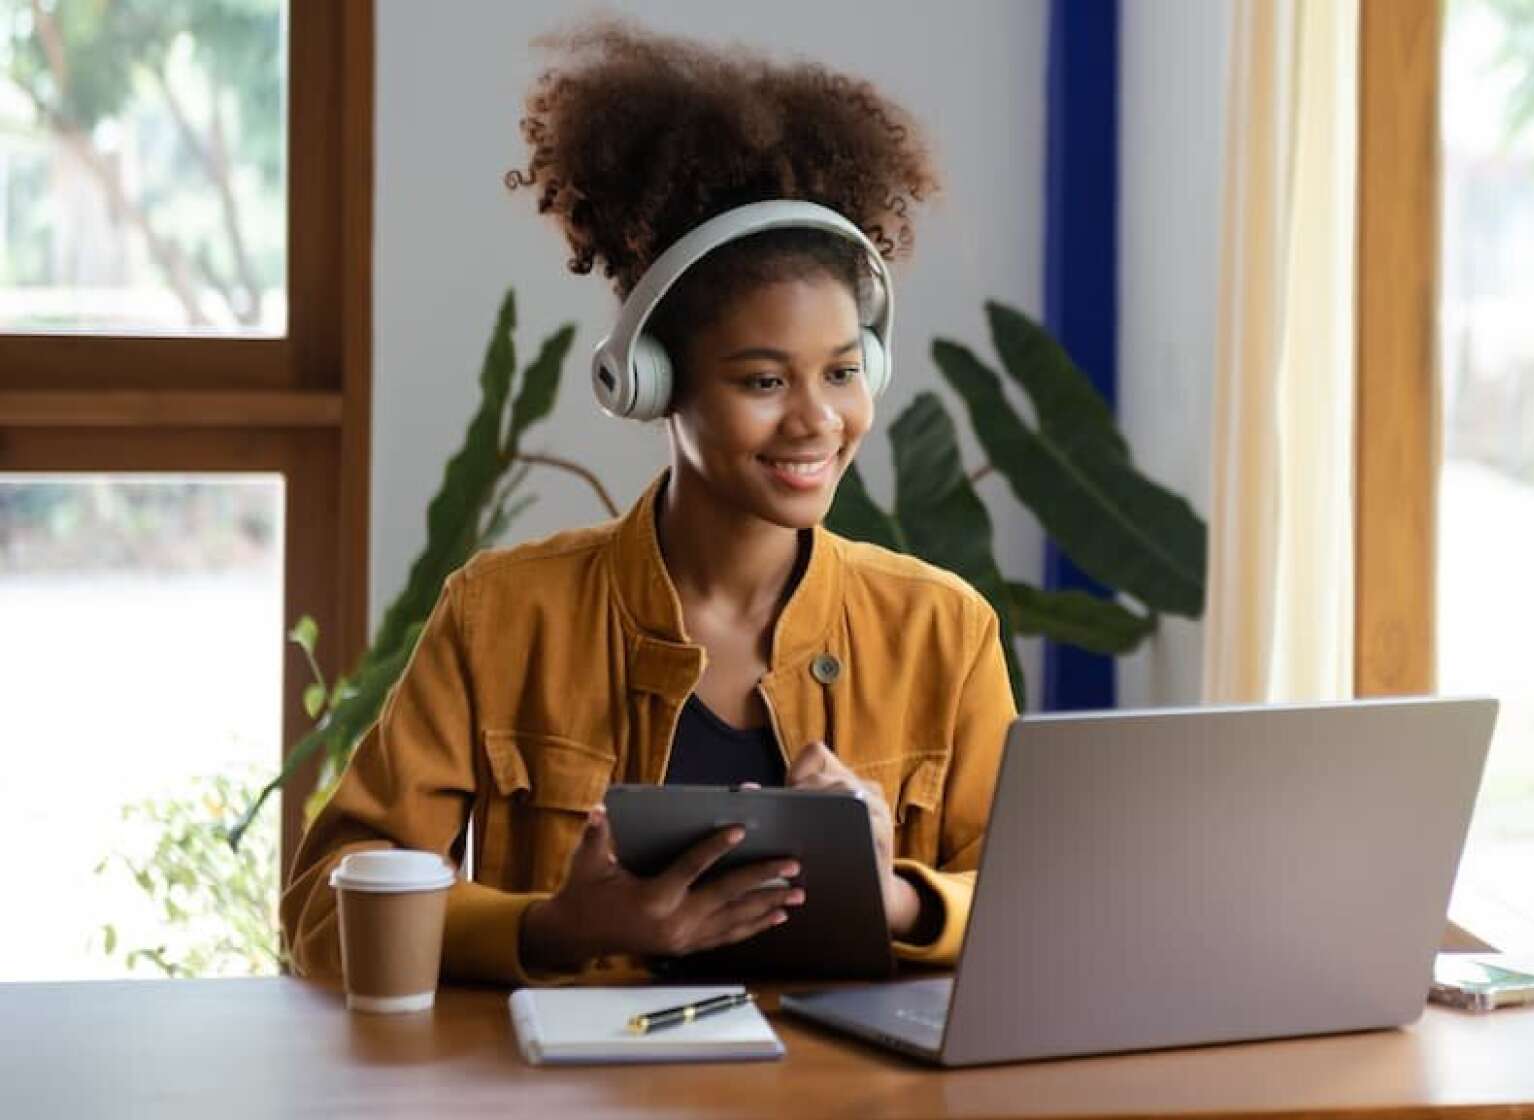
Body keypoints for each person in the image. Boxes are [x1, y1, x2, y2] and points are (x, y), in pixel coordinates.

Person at [280, 23, 1016, 984]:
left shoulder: (943, 633)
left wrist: (899, 899)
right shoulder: (503, 617)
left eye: (842, 372)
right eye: (762, 382)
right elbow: (326, 908)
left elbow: (1036, 919)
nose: (816, 421)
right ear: (649, 381)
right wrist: (555, 927)